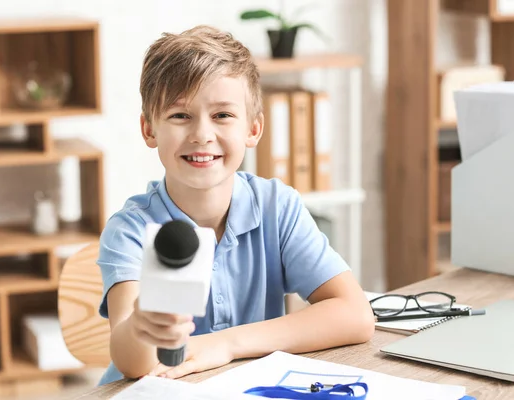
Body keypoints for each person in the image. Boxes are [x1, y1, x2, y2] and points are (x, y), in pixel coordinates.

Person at [96, 24, 375, 386]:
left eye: (222, 115)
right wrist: (141, 326)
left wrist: (226, 344)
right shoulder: (131, 229)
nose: (202, 134)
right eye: (180, 115)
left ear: (253, 129)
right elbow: (132, 362)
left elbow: (355, 315)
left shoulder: (278, 206)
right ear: (149, 130)